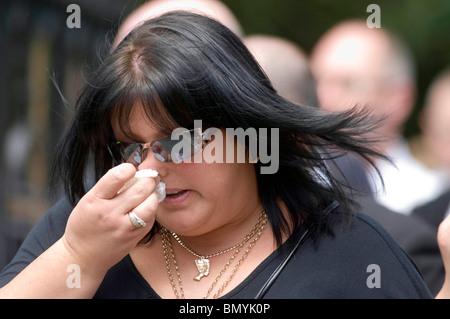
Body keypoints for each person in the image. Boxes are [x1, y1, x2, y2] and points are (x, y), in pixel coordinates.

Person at [0, 11, 434, 298]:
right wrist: (77, 258)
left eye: (179, 141)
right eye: (129, 148)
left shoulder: (354, 256)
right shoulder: (83, 225)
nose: (150, 170)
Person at [310, 20, 424, 215]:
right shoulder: (290, 187)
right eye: (313, 81)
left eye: (347, 83)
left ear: (398, 99)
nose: (321, 98)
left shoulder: (428, 199)